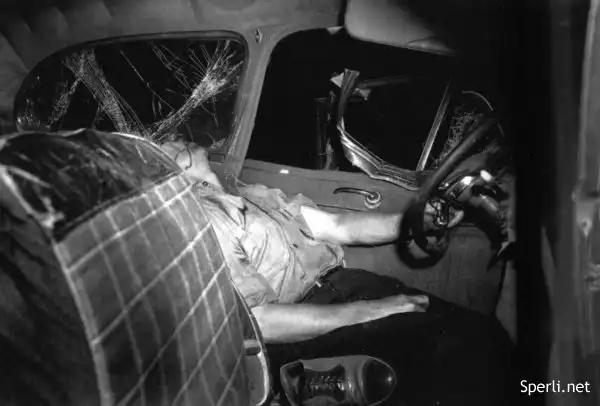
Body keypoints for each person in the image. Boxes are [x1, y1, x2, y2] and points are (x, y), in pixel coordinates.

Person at [159, 140, 466, 344]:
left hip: (347, 287)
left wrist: (416, 222)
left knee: (466, 328)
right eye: (166, 141)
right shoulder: (202, 222)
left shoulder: (249, 192)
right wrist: (373, 310)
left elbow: (336, 227)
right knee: (454, 351)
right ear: (161, 168)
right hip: (311, 325)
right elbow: (260, 321)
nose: (177, 136)